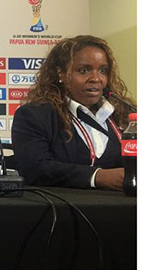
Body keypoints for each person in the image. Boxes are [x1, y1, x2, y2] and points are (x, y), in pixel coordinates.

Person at [11, 35, 134, 189]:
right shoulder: (35, 115)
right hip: (63, 203)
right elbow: (35, 169)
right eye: (84, 70)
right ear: (60, 74)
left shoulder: (124, 114)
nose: (96, 78)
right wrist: (96, 177)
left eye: (102, 70)